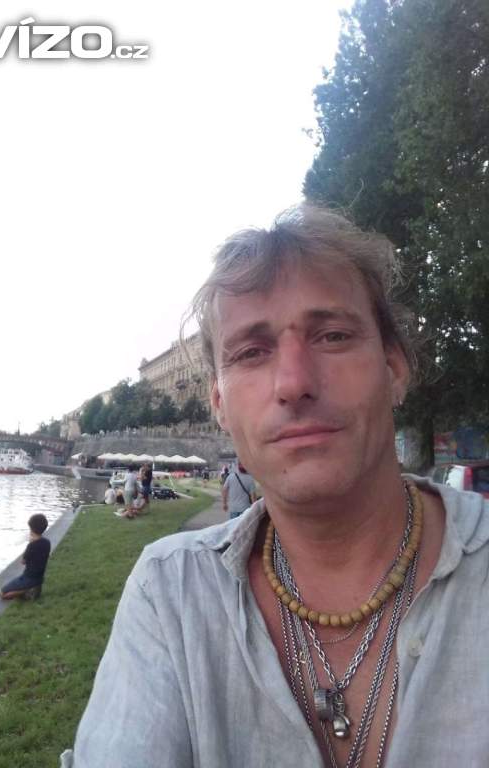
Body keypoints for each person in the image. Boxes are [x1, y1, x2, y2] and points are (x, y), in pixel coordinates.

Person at [61, 205, 489, 768]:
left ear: (394, 368)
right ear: (219, 403)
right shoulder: (168, 593)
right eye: (251, 352)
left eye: (332, 336)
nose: (293, 382)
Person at [0, 513, 51, 600]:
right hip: (39, 577)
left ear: (31, 529)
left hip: (28, 577)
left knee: (2, 594)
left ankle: (28, 590)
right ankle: (33, 588)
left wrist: (30, 543)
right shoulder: (47, 542)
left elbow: (23, 561)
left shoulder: (32, 545)